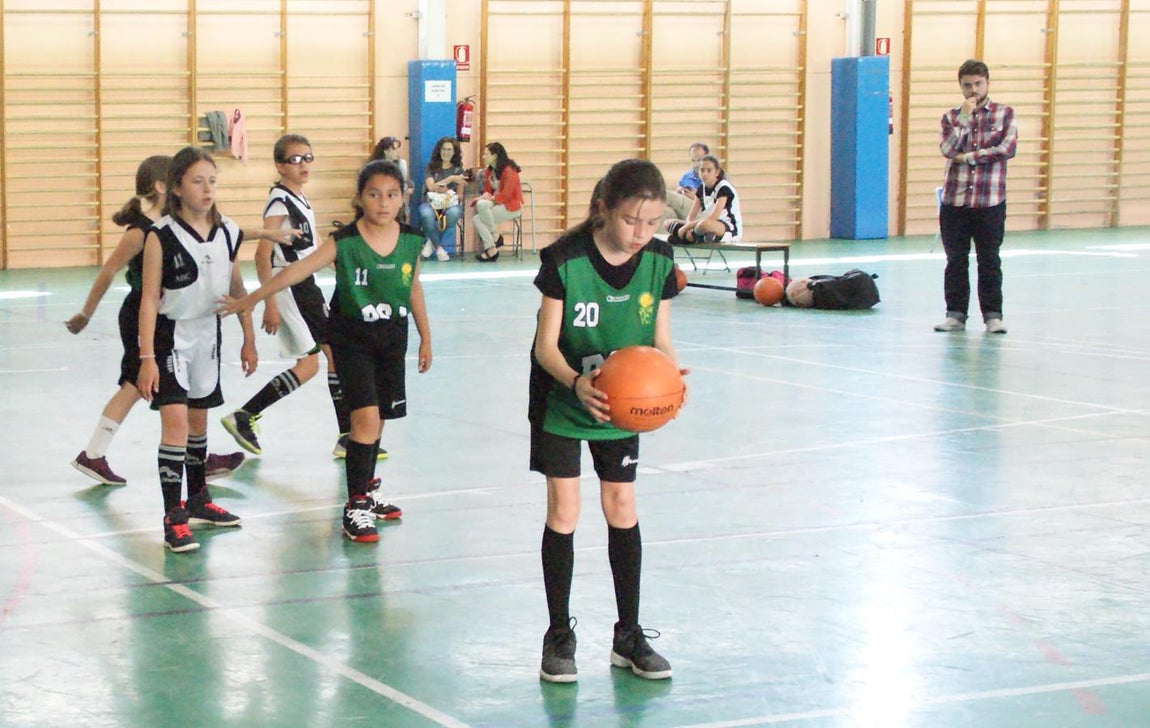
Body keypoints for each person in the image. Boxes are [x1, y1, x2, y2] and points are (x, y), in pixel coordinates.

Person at [529, 158, 686, 683]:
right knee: (565, 509)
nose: (641, 233)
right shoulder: (565, 260)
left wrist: (669, 378)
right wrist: (576, 383)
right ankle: (559, 635)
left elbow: (659, 338)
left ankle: (629, 635)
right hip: (564, 399)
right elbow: (545, 347)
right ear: (604, 209)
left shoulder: (659, 261)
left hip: (623, 402)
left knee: (621, 503)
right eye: (630, 220)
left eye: (652, 222)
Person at [218, 160, 431, 544]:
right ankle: (355, 508)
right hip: (352, 341)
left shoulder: (413, 240)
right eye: (374, 194)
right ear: (360, 198)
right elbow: (293, 273)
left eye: (391, 195)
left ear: (403, 198)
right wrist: (252, 298)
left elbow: (413, 288)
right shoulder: (345, 242)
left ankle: (366, 488)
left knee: (379, 420)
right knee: (364, 421)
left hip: (392, 339)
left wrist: (426, 337)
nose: (383, 202)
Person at [65, 155, 245, 486]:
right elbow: (108, 269)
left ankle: (195, 455)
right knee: (139, 382)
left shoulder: (190, 225)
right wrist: (87, 313)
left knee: (167, 386)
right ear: (165, 186)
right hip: (144, 315)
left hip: (171, 315)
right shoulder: (145, 231)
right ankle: (94, 453)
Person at [137, 146, 257, 553]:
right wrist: (147, 358)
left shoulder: (228, 232)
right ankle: (174, 517)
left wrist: (249, 336)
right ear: (176, 187)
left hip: (209, 335)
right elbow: (150, 298)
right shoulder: (161, 235)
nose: (207, 189)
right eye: (197, 181)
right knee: (175, 426)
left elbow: (237, 288)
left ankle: (200, 499)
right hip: (171, 337)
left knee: (199, 425)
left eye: (212, 181)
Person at [221, 134, 358, 461]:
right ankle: (246, 415)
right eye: (295, 159)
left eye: (308, 158)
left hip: (305, 285)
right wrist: (269, 303)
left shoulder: (299, 198)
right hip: (289, 287)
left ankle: (345, 435)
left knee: (325, 358)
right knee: (317, 361)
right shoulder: (280, 201)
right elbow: (262, 253)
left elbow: (309, 245)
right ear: (281, 165)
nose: (303, 164)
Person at [934, 59, 1017, 335]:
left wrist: (969, 157)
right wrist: (965, 118)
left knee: (989, 259)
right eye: (967, 85)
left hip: (989, 201)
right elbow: (947, 148)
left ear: (988, 83)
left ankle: (993, 315)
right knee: (955, 260)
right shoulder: (951, 117)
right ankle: (955, 314)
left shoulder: (1004, 114)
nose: (973, 90)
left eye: (978, 84)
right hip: (955, 202)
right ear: (960, 86)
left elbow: (1006, 149)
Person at [663, 154, 742, 244]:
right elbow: (691, 216)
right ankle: (694, 236)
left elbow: (713, 218)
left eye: (709, 170)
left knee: (704, 225)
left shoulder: (723, 188)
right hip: (704, 224)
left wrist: (686, 227)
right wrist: (688, 227)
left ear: (716, 172)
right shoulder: (701, 188)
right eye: (702, 170)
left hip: (726, 227)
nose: (705, 173)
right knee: (667, 223)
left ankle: (690, 237)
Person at [418, 136, 468, 262]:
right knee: (426, 214)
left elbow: (460, 195)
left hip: (450, 204)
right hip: (431, 203)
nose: (446, 152)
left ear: (454, 152)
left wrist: (449, 193)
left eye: (449, 150)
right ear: (439, 151)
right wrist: (450, 179)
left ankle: (431, 242)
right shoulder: (431, 167)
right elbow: (431, 187)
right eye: (444, 149)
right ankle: (439, 248)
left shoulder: (458, 169)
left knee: (454, 213)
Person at [473, 141, 523, 262]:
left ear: (494, 156)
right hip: (497, 202)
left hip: (511, 205)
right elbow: (488, 190)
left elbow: (506, 195)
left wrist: (488, 199)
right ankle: (493, 242)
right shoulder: (489, 171)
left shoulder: (509, 170)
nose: (483, 157)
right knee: (479, 210)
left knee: (478, 217)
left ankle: (492, 244)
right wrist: (484, 196)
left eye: (486, 154)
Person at [371, 136, 413, 223]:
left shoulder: (401, 164)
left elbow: (403, 182)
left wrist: (407, 188)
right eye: (394, 149)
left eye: (397, 149)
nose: (397, 152)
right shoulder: (374, 167)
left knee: (400, 207)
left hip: (395, 198)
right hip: (379, 198)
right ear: (385, 151)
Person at [664, 141, 708, 221]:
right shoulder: (686, 177)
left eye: (699, 160)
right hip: (683, 208)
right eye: (693, 160)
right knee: (665, 212)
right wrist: (680, 191)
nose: (696, 164)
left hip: (701, 211)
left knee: (667, 196)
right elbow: (679, 194)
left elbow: (718, 205)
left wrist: (697, 197)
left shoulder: (716, 178)